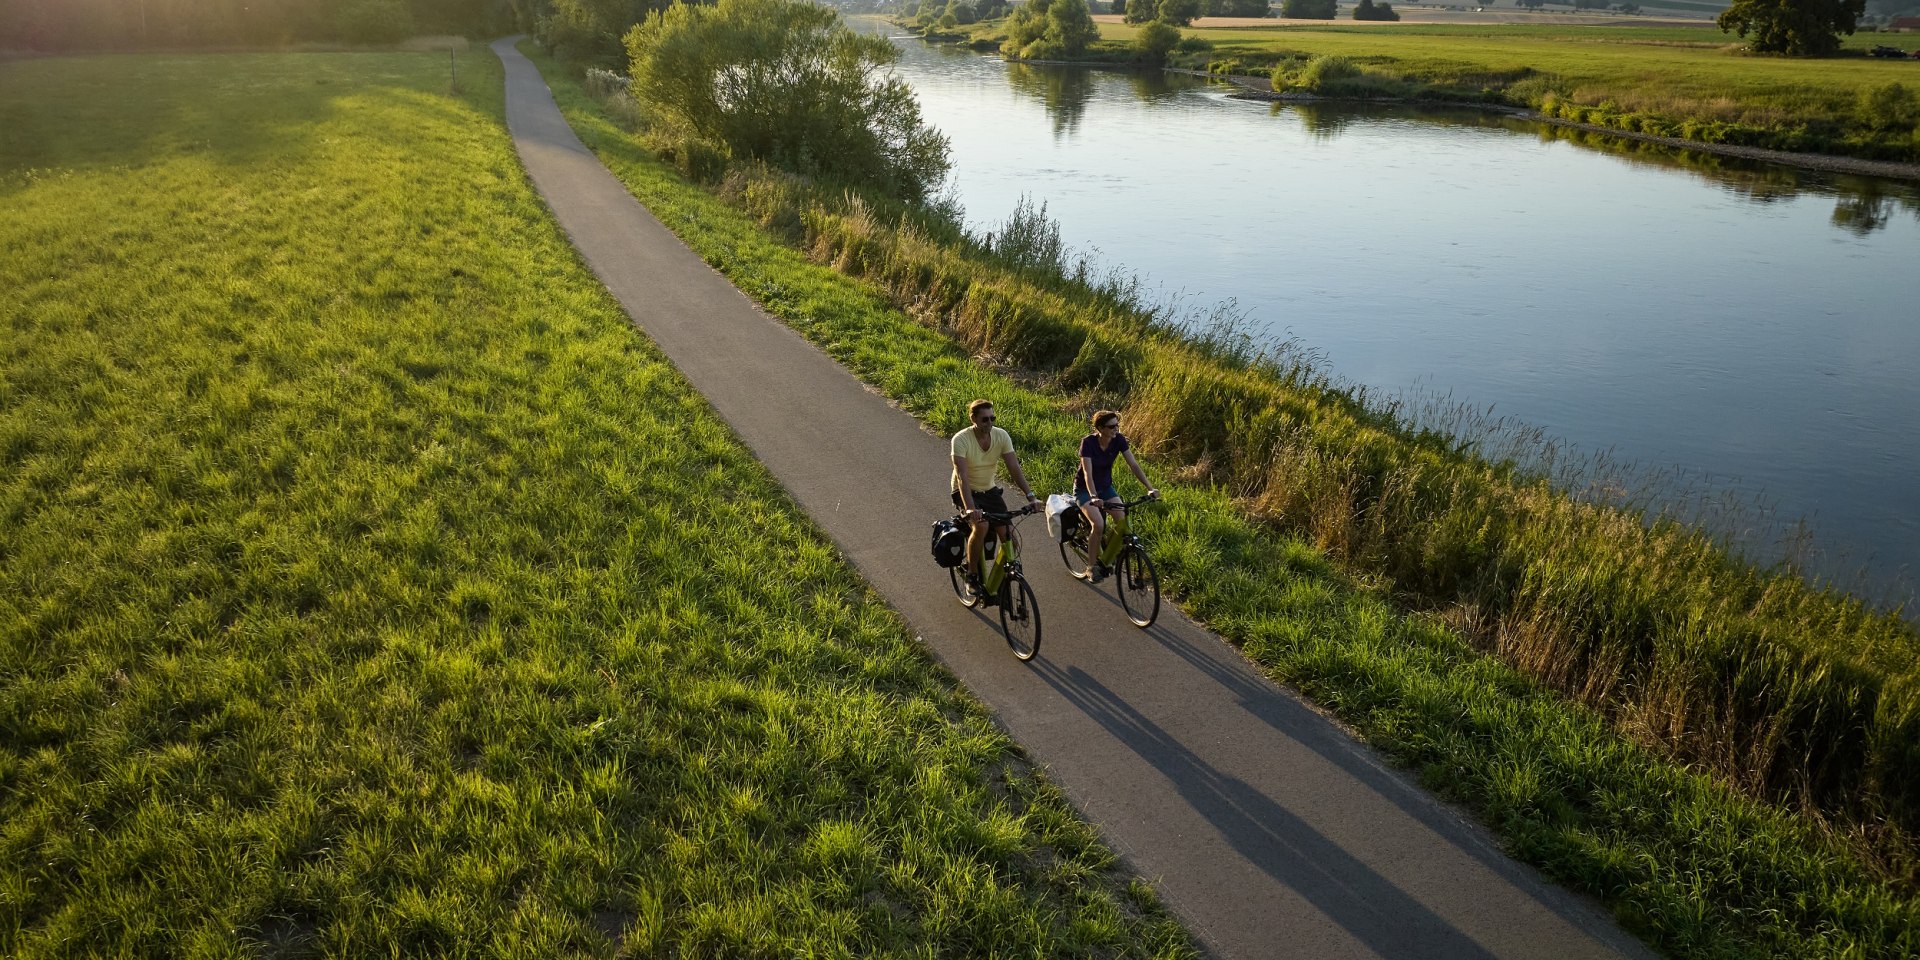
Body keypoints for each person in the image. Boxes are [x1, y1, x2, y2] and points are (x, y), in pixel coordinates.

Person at [951, 399, 1043, 597]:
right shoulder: (961, 439)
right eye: (985, 419)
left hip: (989, 490)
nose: (990, 423)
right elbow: (962, 476)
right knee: (981, 526)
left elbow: (1014, 468)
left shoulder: (1001, 436)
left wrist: (1031, 497)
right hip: (965, 490)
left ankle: (1006, 574)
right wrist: (969, 509)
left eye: (992, 418)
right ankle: (972, 574)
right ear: (973, 418)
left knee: (1009, 534)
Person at [1074, 409, 1157, 582]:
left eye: (1117, 425)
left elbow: (1133, 465)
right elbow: (1088, 474)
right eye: (1112, 426)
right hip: (1085, 490)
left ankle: (1105, 549)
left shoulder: (1118, 440)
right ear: (1100, 428)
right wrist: (1094, 496)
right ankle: (1091, 567)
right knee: (1098, 524)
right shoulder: (1088, 443)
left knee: (1122, 521)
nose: (1116, 429)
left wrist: (1150, 488)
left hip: (1105, 487)